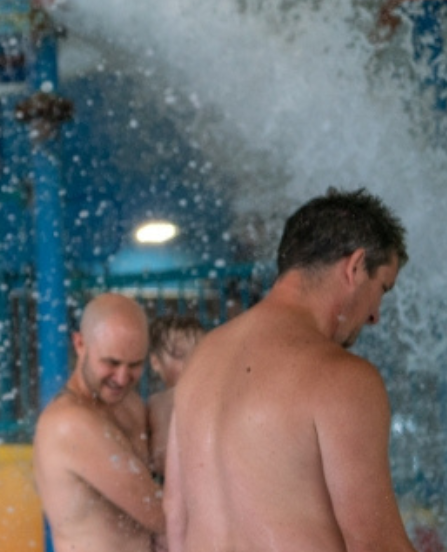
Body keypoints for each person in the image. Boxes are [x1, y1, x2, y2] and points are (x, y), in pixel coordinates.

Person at [165, 188, 413, 551]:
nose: (375, 315)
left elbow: (175, 512)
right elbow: (376, 545)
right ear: (356, 266)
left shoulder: (201, 361)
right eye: (383, 288)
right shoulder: (341, 378)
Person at [33, 293, 163, 551]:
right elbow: (161, 514)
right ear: (80, 344)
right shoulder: (69, 423)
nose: (122, 378)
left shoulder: (130, 404)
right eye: (111, 363)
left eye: (135, 365)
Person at [144, 314, 205, 476]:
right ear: (155, 362)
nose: (192, 361)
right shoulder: (155, 404)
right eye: (180, 355)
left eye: (199, 353)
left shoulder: (210, 397)